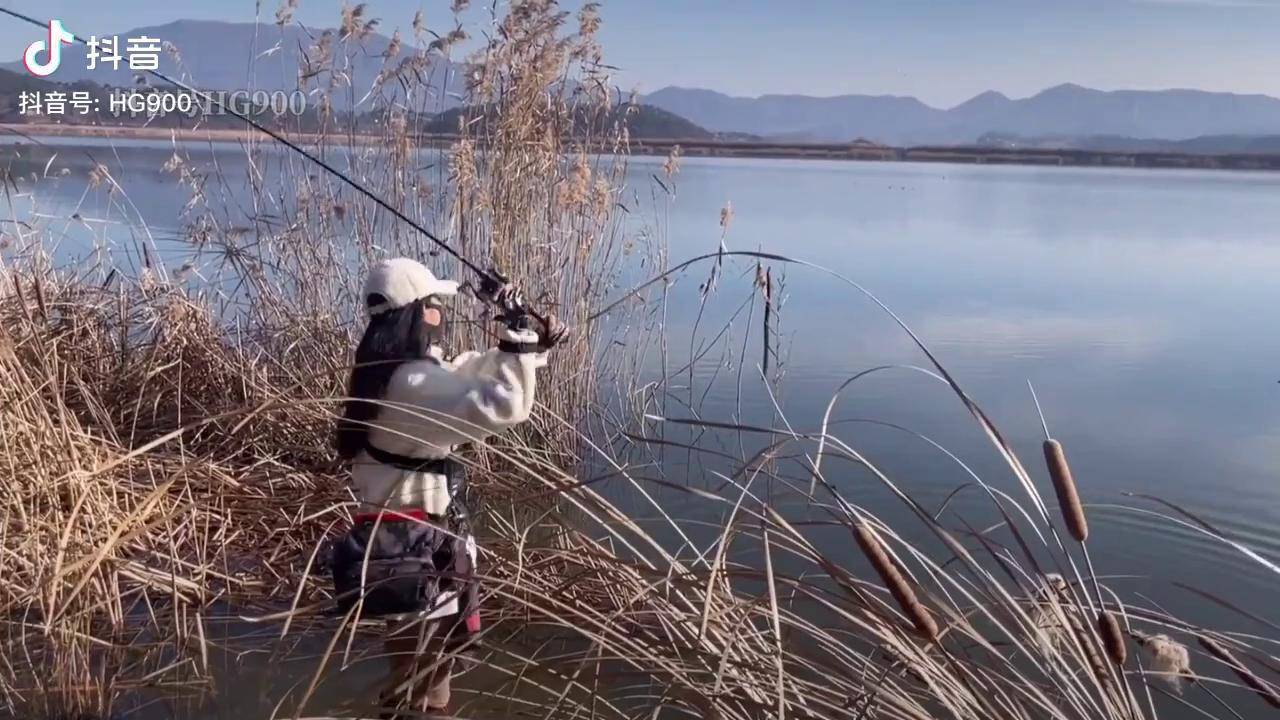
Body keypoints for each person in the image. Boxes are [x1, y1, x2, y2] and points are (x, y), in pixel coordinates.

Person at [330, 258, 564, 717]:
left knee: (411, 672)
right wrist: (517, 334)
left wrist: (529, 347)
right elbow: (504, 403)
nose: (440, 316)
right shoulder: (414, 384)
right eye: (434, 306)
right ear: (417, 313)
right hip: (418, 552)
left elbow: (461, 373)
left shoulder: (386, 374)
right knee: (429, 682)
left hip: (392, 550)